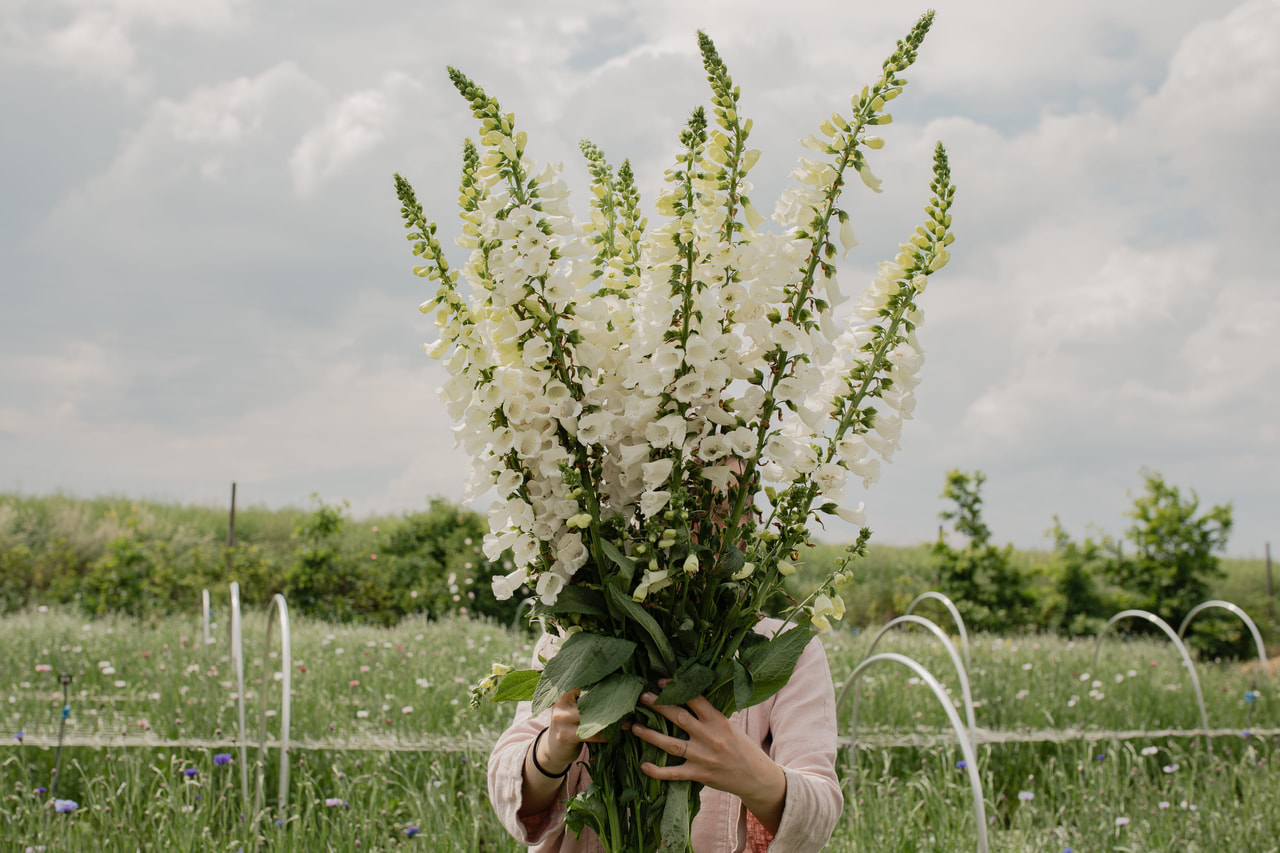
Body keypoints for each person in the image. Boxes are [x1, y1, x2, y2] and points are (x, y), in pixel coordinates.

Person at [487, 617, 843, 852]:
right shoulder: (571, 631)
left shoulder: (781, 644)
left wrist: (749, 772)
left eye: (723, 504)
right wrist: (552, 748)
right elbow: (512, 798)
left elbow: (818, 817)